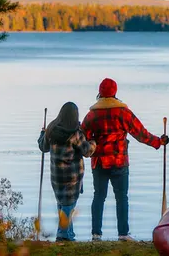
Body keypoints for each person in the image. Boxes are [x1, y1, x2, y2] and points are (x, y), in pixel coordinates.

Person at [81, 78, 169, 242]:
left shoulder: (92, 115)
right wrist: (158, 142)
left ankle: (96, 234)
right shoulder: (123, 113)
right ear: (115, 92)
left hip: (99, 162)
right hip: (119, 161)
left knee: (99, 196)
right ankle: (123, 234)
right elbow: (140, 134)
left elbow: (83, 138)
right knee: (121, 197)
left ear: (100, 93)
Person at [37, 101, 97, 242]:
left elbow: (43, 147)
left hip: (56, 176)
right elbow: (87, 151)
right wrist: (94, 142)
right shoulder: (75, 134)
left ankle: (69, 235)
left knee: (63, 205)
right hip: (72, 177)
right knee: (68, 206)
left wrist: (42, 133)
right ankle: (63, 235)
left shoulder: (51, 130)